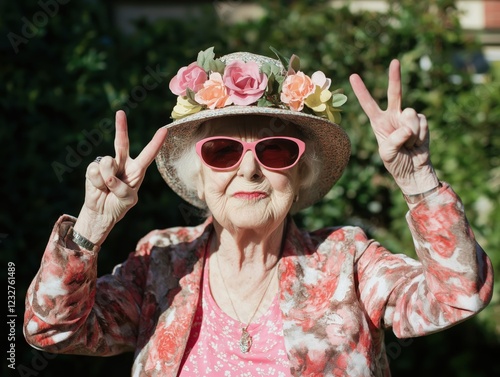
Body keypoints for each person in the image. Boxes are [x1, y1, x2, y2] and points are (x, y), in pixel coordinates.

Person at [24, 48, 493, 377]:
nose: (249, 170)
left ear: (301, 172)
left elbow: (459, 296)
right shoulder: (162, 262)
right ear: (199, 174)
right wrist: (89, 229)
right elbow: (48, 331)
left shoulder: (346, 258)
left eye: (275, 150)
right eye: (224, 151)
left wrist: (418, 182)